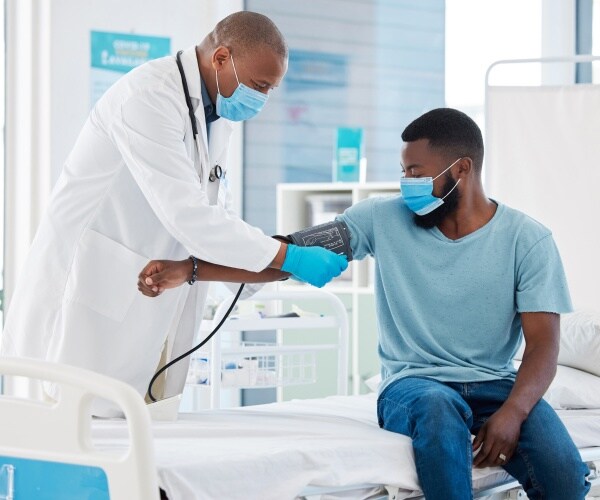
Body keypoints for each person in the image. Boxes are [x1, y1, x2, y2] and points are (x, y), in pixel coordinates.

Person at [140, 108, 590, 498]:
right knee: (437, 413)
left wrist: (512, 413)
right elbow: (287, 256)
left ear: (462, 169)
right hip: (414, 385)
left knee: (565, 473)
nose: (406, 182)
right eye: (403, 170)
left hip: (495, 387)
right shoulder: (381, 218)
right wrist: (192, 269)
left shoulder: (527, 241)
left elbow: (542, 348)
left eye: (417, 171)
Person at [0, 11, 347, 416]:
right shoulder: (147, 98)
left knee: (145, 436)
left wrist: (268, 272)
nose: (263, 100)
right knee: (83, 432)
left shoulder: (216, 115)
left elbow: (219, 213)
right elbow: (189, 216)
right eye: (259, 86)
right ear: (221, 58)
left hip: (158, 295)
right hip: (92, 296)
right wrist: (288, 257)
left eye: (271, 89)